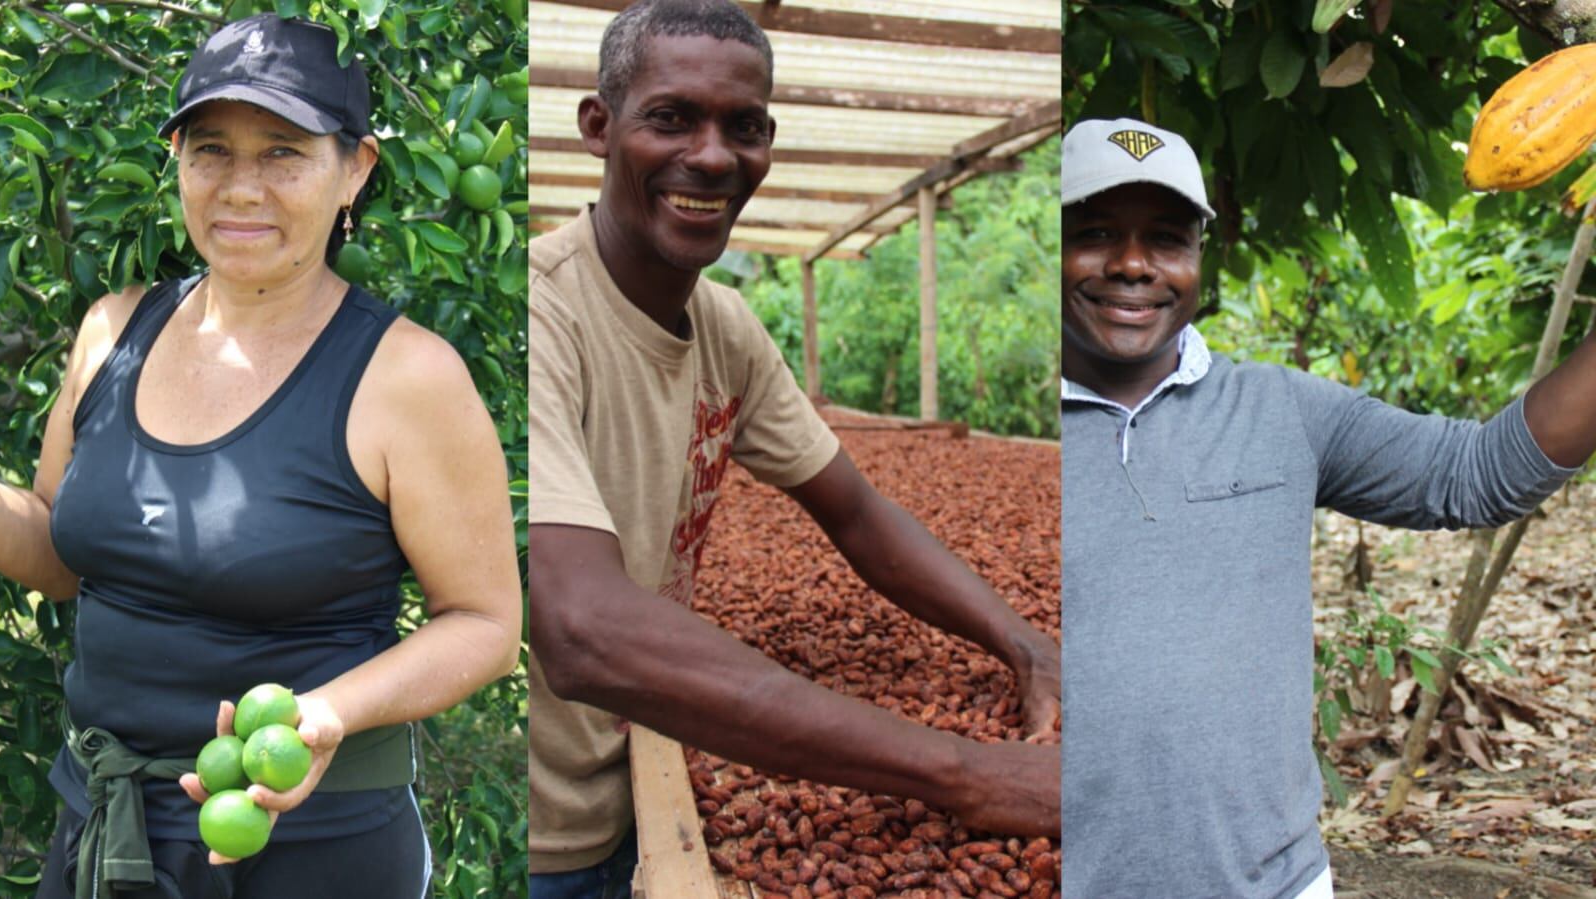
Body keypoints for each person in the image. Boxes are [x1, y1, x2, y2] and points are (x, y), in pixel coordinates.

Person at [526, 0, 1061, 892]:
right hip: (543, 836)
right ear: (598, 126)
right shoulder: (542, 316)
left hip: (630, 776)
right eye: (671, 118)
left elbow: (857, 514)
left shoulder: (724, 326)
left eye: (743, 127)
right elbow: (583, 628)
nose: (711, 156)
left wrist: (1025, 645)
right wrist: (965, 773)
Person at [0, 15, 521, 899]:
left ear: (355, 170)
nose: (241, 188)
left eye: (283, 153)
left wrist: (328, 712)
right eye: (212, 151)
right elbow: (59, 556)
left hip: (314, 844)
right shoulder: (113, 329)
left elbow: (483, 624)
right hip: (103, 820)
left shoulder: (407, 378)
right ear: (176, 163)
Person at [1061, 116, 1596, 899]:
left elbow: (1480, 474)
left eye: (1167, 238)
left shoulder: (1281, 411)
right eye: (1096, 232)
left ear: (1199, 256)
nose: (1134, 264)